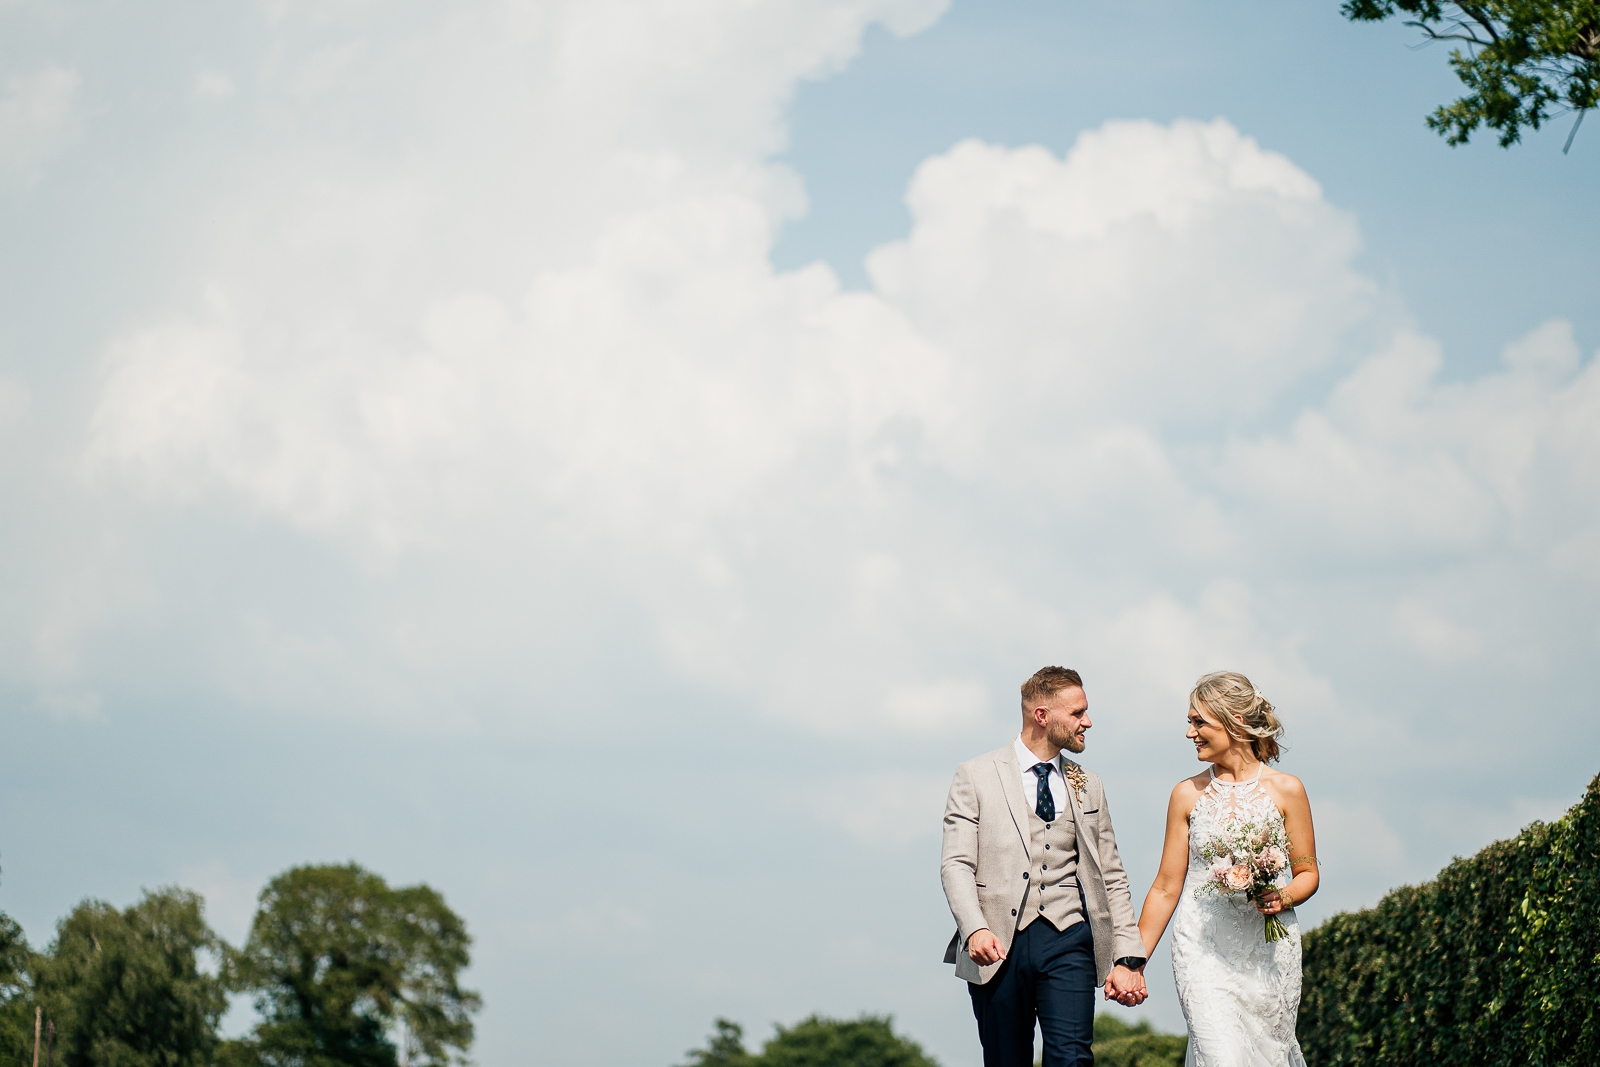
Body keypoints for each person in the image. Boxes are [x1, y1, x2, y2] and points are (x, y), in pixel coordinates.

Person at [940, 666, 1149, 1067]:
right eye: (1077, 713)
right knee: (1005, 1059)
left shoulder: (1090, 782)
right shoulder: (976, 775)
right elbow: (956, 864)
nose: (1087, 721)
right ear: (1042, 715)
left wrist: (1127, 956)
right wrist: (975, 928)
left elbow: (1112, 875)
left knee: (1072, 1059)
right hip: (998, 945)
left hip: (1069, 938)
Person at [1133, 671, 1320, 1066]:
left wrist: (1281, 896)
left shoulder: (1288, 789)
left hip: (1268, 952)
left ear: (1234, 722)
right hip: (1201, 948)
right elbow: (1167, 887)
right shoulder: (1186, 794)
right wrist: (1131, 962)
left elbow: (1307, 873)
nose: (1190, 733)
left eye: (1199, 721)